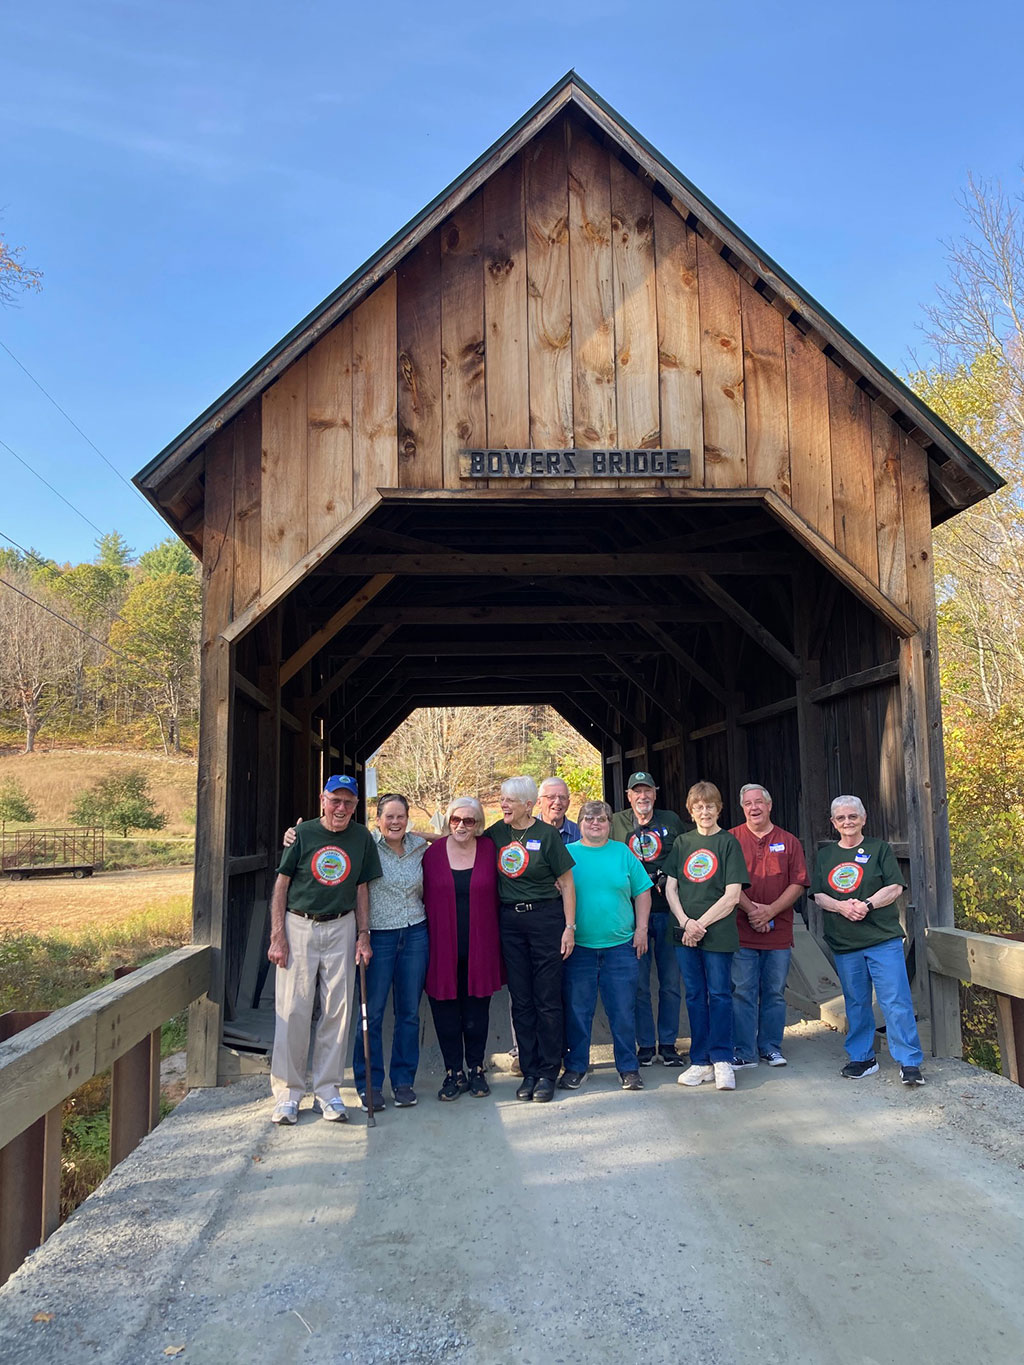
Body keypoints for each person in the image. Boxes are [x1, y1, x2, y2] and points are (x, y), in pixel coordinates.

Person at [268, 775, 380, 1124]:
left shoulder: (361, 837)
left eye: (348, 803)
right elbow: (281, 885)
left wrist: (364, 934)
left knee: (337, 1009)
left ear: (356, 806)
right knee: (294, 1009)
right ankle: (288, 1092)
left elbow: (362, 887)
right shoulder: (301, 835)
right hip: (299, 924)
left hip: (342, 924)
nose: (341, 808)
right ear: (322, 800)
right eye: (336, 801)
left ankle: (328, 1090)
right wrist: (277, 936)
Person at [811, 795, 926, 1085]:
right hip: (846, 941)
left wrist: (867, 905)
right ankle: (862, 1057)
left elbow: (895, 886)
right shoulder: (825, 855)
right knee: (856, 1002)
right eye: (841, 818)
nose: (847, 822)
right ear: (833, 823)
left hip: (881, 939)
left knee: (895, 1000)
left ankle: (909, 1061)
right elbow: (818, 894)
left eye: (853, 817)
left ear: (863, 819)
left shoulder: (879, 849)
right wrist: (841, 906)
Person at [483, 775, 576, 1103]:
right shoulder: (496, 833)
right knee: (521, 1000)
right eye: (501, 799)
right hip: (510, 921)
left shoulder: (547, 835)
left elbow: (566, 882)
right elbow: (459, 837)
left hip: (546, 920)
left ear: (527, 804)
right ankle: (530, 1069)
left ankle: (550, 1071)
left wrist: (569, 927)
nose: (503, 804)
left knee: (547, 999)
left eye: (509, 800)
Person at [559, 800, 652, 1092]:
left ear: (610, 823)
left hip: (620, 946)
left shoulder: (623, 853)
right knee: (577, 1011)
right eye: (588, 818)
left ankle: (628, 1068)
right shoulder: (567, 855)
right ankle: (576, 1067)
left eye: (600, 819)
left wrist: (641, 929)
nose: (594, 823)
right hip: (580, 947)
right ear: (580, 823)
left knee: (623, 1010)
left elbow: (643, 892)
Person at [664, 781, 749, 1092]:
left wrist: (699, 924)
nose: (704, 811)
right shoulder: (683, 843)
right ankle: (700, 1061)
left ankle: (723, 1059)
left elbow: (732, 895)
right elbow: (670, 888)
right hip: (686, 933)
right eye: (698, 807)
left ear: (719, 808)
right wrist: (686, 922)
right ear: (691, 810)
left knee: (720, 994)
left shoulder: (729, 844)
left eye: (710, 806)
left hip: (718, 932)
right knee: (696, 996)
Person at [422, 796, 504, 1101]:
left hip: (480, 945)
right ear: (447, 821)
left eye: (469, 820)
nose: (461, 826)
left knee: (476, 1013)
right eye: (455, 819)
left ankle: (476, 1069)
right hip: (442, 946)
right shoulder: (430, 855)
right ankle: (452, 1071)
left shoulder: (489, 849)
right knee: (445, 1012)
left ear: (479, 824)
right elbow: (390, 838)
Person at [352, 793, 430, 1111]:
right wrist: (363, 935)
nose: (395, 822)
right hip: (379, 937)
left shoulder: (418, 846)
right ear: (378, 819)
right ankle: (369, 1084)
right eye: (389, 817)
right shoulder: (367, 846)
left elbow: (451, 839)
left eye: (400, 816)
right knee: (372, 1013)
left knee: (409, 1013)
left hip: (415, 934)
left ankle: (403, 1082)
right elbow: (358, 890)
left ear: (408, 818)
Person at [610, 772, 689, 1067]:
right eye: (636, 792)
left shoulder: (671, 820)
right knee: (639, 983)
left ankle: (668, 1043)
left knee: (670, 981)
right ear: (628, 796)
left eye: (647, 791)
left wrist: (667, 874)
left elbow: (685, 855)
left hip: (668, 910)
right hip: (632, 915)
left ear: (655, 793)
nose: (642, 797)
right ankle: (644, 1044)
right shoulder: (617, 822)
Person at [729, 784, 809, 1070]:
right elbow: (728, 884)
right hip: (741, 928)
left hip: (778, 929)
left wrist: (770, 912)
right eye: (748, 803)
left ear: (769, 805)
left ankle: (770, 1047)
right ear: (742, 808)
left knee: (774, 991)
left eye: (759, 802)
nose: (754, 807)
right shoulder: (731, 839)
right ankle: (744, 1051)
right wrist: (752, 911)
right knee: (742, 990)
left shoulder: (789, 841)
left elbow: (798, 883)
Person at [538, 776, 581, 845]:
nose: (557, 802)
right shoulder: (526, 831)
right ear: (539, 802)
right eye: (551, 797)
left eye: (562, 797)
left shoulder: (580, 834)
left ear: (568, 803)